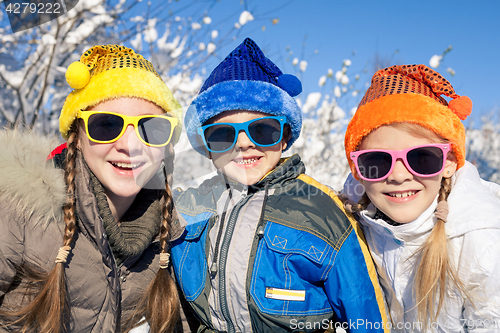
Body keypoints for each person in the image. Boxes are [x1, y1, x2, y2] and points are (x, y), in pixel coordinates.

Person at [170, 38, 388, 333]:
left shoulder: (323, 212)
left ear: (285, 136)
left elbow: (365, 315)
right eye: (223, 134)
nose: (244, 144)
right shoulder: (188, 206)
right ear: (206, 145)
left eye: (262, 130)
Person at [0, 45, 185, 333]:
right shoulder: (19, 213)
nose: (130, 146)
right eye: (107, 125)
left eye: (152, 129)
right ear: (77, 137)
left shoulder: (172, 240)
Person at [342, 64, 500, 332]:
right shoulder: (354, 226)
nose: (399, 176)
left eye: (421, 158)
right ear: (358, 170)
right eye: (378, 161)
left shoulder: (481, 240)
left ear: (449, 162)